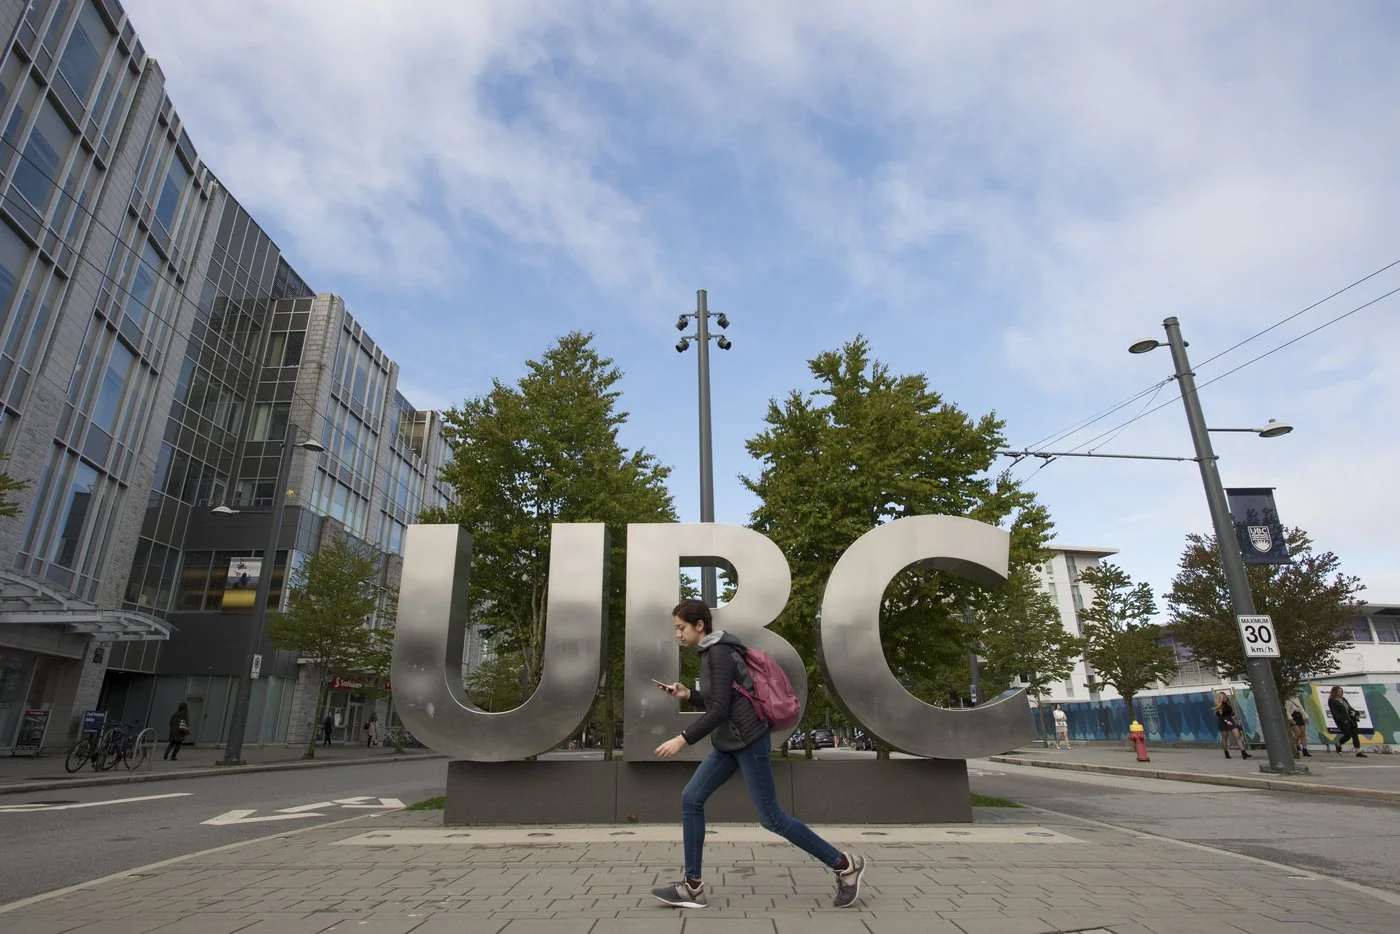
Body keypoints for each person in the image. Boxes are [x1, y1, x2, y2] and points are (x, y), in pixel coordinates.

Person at [651, 599, 867, 910]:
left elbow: (720, 709)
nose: (678, 634)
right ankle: (692, 886)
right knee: (691, 798)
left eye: (681, 628)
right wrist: (689, 694)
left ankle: (845, 864)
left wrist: (681, 739)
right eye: (675, 629)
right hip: (729, 742)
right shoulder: (711, 652)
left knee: (772, 819)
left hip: (749, 742)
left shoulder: (719, 653)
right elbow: (721, 701)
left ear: (699, 625)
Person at [1327, 686, 1366, 758]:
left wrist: (1355, 713)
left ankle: (1358, 751)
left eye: (1341, 691)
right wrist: (1342, 719)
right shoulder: (1332, 701)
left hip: (1351, 720)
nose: (1340, 693)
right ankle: (1338, 744)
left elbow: (1349, 708)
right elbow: (1334, 712)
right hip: (1342, 721)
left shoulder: (1343, 699)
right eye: (1338, 691)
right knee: (1348, 735)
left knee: (1355, 735)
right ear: (1334, 692)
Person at [1213, 691, 1250, 760]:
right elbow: (1219, 715)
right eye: (1224, 697)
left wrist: (1232, 715)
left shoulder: (1228, 705)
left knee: (1238, 736)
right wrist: (1226, 720)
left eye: (1226, 697)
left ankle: (1243, 753)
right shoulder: (1220, 707)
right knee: (1225, 738)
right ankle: (1226, 752)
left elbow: (1230, 713)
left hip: (1230, 721)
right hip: (1223, 722)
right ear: (1221, 698)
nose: (1226, 698)